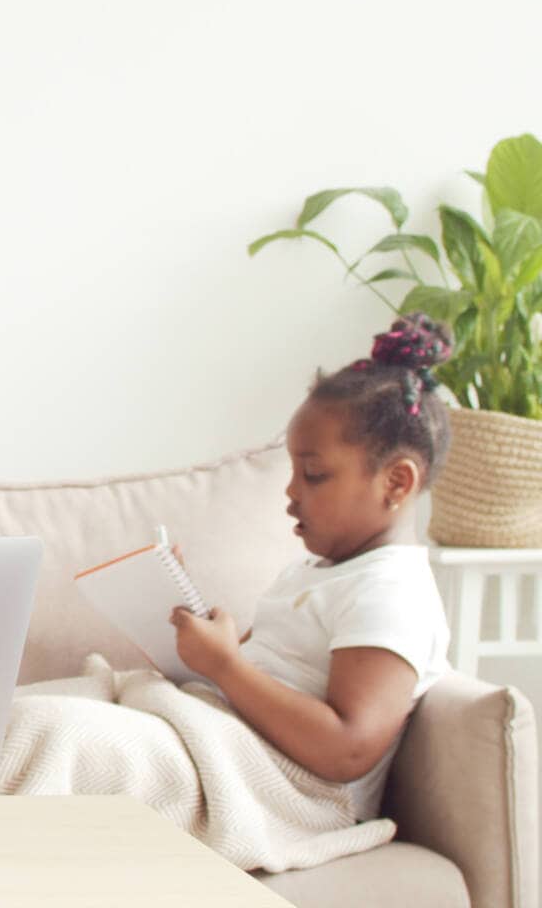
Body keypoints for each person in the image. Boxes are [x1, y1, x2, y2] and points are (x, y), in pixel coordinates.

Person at [169, 312, 454, 816]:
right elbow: (265, 677)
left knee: (63, 732)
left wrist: (225, 665)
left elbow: (348, 747)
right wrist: (211, 640)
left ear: (396, 483)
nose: (291, 491)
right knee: (54, 710)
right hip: (229, 744)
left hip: (286, 793)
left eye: (315, 474)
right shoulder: (316, 574)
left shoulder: (391, 592)